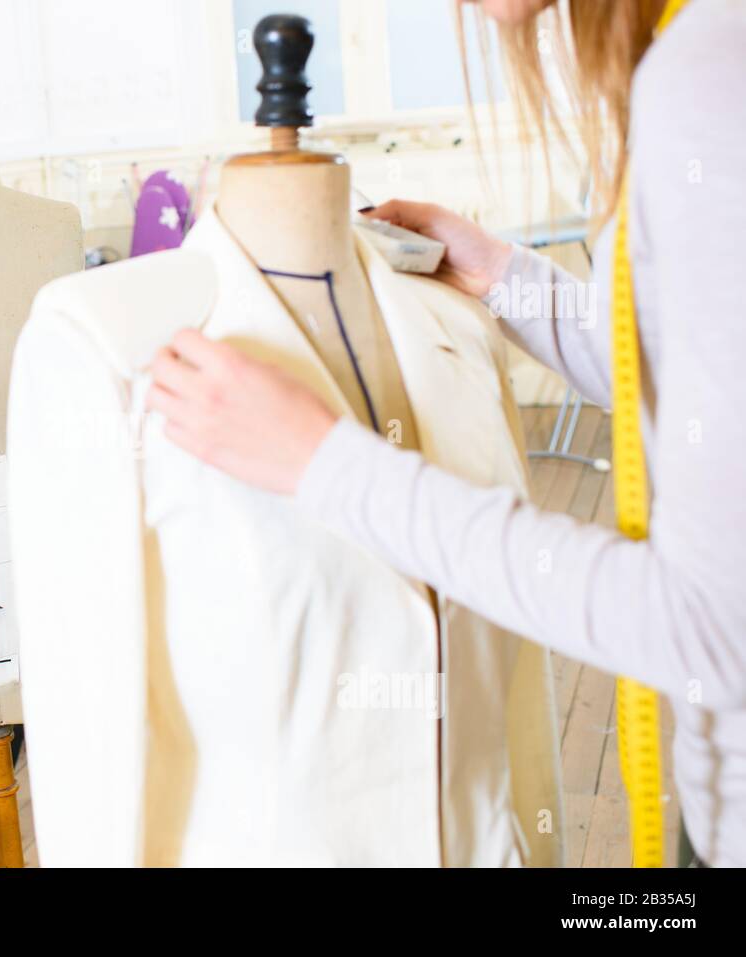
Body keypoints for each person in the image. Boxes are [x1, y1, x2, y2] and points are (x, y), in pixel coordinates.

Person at [148, 0, 744, 866]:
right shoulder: (696, 52)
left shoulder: (703, 77)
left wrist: (325, 463)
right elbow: (681, 372)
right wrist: (504, 275)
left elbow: (712, 625)